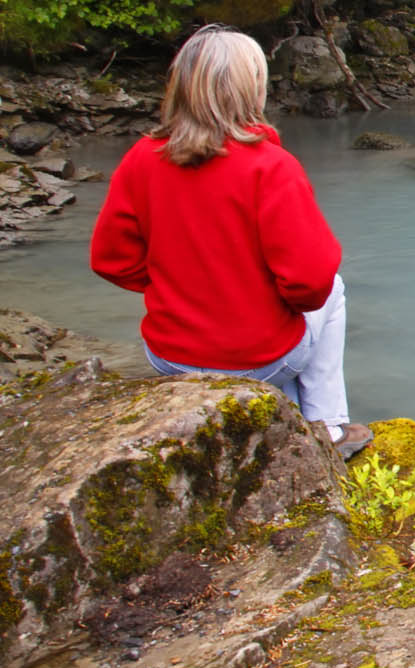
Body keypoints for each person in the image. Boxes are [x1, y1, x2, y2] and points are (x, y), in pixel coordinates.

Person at [89, 25, 372, 459]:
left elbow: (111, 260)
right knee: (332, 289)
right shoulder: (271, 167)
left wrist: (178, 284)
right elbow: (310, 281)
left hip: (169, 357)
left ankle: (288, 418)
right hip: (256, 359)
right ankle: (327, 428)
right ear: (250, 90)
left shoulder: (141, 160)